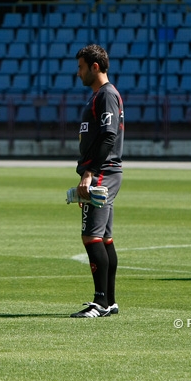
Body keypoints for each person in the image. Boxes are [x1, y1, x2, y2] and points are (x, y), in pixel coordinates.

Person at [70, 44, 124, 318]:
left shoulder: (106, 96)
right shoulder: (99, 96)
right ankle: (110, 302)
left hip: (103, 171)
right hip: (104, 170)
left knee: (90, 236)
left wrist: (89, 173)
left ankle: (100, 303)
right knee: (104, 237)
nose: (77, 72)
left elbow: (108, 136)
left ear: (94, 66)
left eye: (80, 67)